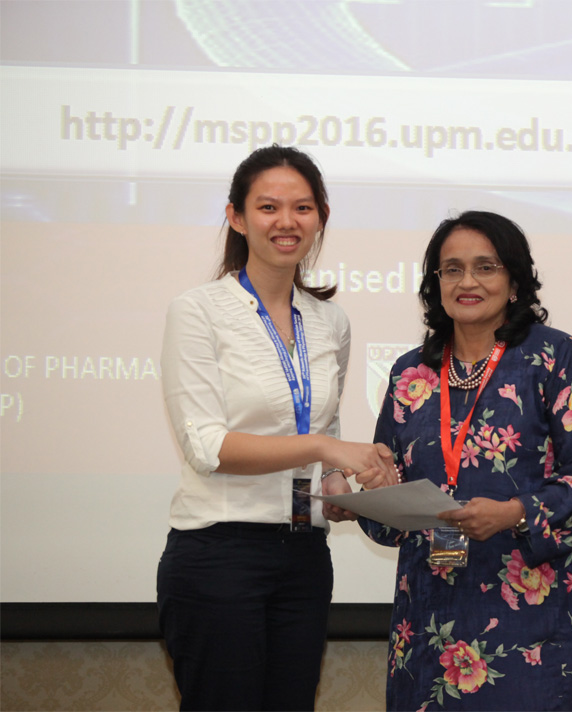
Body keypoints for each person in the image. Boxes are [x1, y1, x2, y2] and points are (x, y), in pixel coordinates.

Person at [157, 144, 396, 711]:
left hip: (304, 554)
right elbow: (206, 446)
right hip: (219, 552)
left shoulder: (331, 320)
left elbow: (322, 420)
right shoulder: (197, 311)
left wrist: (337, 484)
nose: (287, 221)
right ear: (237, 217)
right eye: (268, 207)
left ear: (321, 218)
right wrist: (326, 446)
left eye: (302, 208)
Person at [359, 210, 572, 711]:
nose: (467, 282)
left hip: (530, 616)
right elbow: (390, 497)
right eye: (452, 269)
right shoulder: (410, 373)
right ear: (435, 284)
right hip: (428, 619)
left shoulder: (553, 356)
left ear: (514, 282)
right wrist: (367, 496)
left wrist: (514, 513)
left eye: (485, 267)